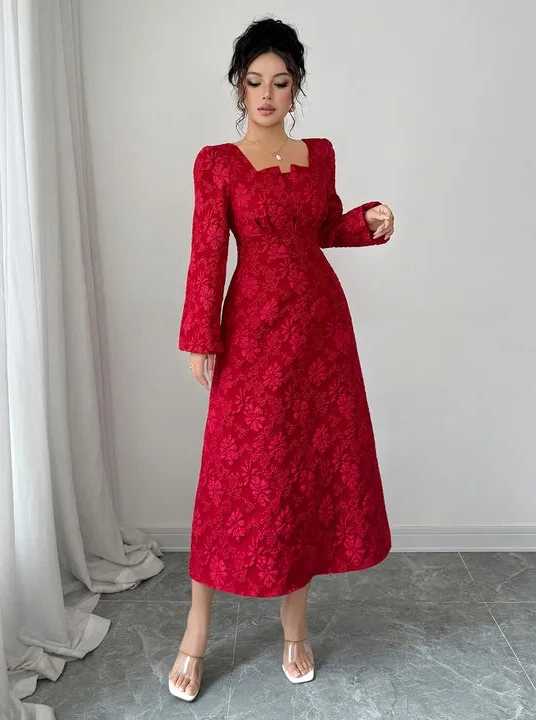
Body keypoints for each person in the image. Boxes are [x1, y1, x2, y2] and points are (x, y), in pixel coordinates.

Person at [169, 17, 395, 702]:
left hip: (319, 335)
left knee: (303, 474)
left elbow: (323, 227)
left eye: (281, 82)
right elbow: (208, 251)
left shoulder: (317, 156)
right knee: (229, 475)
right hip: (252, 332)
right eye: (255, 81)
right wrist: (200, 335)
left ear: (296, 88)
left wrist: (365, 222)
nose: (266, 94)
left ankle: (296, 629)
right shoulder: (218, 162)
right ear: (239, 86)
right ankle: (195, 635)